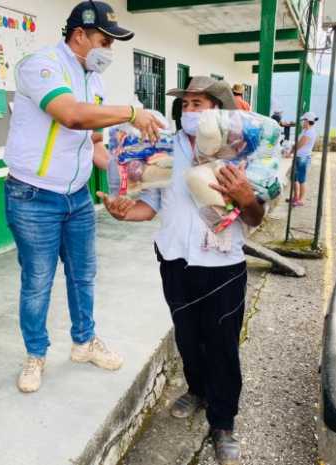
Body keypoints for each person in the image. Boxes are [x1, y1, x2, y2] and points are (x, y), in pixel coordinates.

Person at [99, 76, 265, 465]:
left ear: (219, 112)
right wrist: (124, 213)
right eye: (185, 104)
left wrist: (244, 195)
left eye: (199, 104)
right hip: (174, 260)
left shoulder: (240, 152)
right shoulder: (165, 151)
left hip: (223, 266)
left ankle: (223, 422)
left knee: (222, 346)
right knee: (188, 337)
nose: (189, 112)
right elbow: (151, 206)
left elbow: (256, 217)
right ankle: (197, 389)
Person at [3, 0, 165, 394]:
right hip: (33, 196)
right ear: (79, 36)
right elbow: (71, 115)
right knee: (38, 280)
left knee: (83, 275)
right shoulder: (41, 66)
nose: (109, 50)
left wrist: (117, 189)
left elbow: (91, 141)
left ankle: (84, 342)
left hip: (76, 197)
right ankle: (36, 355)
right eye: (104, 41)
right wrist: (132, 112)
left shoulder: (91, 78)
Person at [291, 111, 318, 206]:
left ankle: (301, 200)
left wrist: (291, 151)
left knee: (301, 179)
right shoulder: (305, 130)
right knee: (295, 178)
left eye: (304, 120)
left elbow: (300, 144)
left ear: (308, 121)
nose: (302, 122)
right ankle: (295, 197)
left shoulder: (310, 132)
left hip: (303, 158)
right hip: (298, 157)